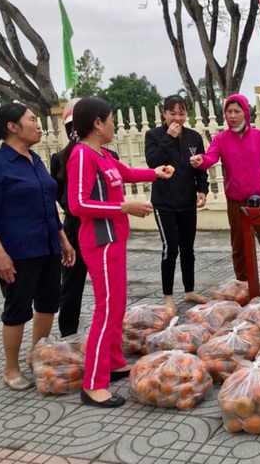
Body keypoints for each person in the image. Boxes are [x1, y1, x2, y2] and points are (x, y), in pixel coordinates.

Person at [64, 97, 173, 408]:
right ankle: (93, 384)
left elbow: (124, 173)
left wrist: (156, 173)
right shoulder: (82, 156)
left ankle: (112, 361)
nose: (113, 124)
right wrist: (123, 206)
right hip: (100, 241)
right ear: (98, 124)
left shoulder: (102, 155)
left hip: (114, 239)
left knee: (116, 304)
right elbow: (77, 205)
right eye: (110, 119)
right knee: (106, 309)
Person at [0, 102, 76, 391]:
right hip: (17, 251)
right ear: (12, 127)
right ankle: (10, 368)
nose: (39, 125)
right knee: (17, 309)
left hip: (48, 244)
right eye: (32, 120)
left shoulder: (35, 159)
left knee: (47, 302)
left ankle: (34, 354)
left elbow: (48, 203)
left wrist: (62, 237)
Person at [190, 94, 260, 287]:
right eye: (229, 112)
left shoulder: (259, 137)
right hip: (235, 200)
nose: (232, 116)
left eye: (237, 111)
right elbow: (210, 157)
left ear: (245, 113)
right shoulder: (221, 139)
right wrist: (201, 161)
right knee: (239, 246)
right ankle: (243, 284)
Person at [51, 99, 120, 337]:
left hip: (106, 227)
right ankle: (68, 335)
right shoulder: (65, 157)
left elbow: (121, 180)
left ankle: (107, 338)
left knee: (109, 291)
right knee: (71, 282)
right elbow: (65, 197)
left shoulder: (108, 154)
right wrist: (120, 207)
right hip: (76, 226)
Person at [145, 95, 210, 311]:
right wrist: (170, 138)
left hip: (187, 201)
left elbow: (200, 166)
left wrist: (202, 189)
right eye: (172, 113)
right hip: (164, 203)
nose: (177, 118)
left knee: (188, 248)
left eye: (182, 113)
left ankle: (189, 290)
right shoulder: (154, 135)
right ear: (164, 114)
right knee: (170, 249)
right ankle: (168, 296)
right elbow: (153, 162)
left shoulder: (194, 137)